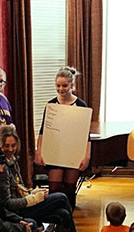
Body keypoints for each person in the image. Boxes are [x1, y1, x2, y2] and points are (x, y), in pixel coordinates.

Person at [0, 127, 88, 232]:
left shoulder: (12, 161)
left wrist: (32, 193)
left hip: (24, 203)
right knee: (62, 197)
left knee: (63, 214)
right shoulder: (1, 168)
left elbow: (20, 188)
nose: (10, 149)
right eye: (6, 146)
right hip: (16, 212)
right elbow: (7, 204)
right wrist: (32, 199)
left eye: (13, 145)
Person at [34, 66, 91, 210]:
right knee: (54, 188)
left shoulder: (81, 105)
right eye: (58, 85)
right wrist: (39, 152)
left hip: (74, 152)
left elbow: (86, 135)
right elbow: (42, 131)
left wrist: (87, 156)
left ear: (72, 85)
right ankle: (54, 218)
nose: (61, 89)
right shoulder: (51, 105)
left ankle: (68, 220)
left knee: (70, 190)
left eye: (65, 85)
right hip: (55, 152)